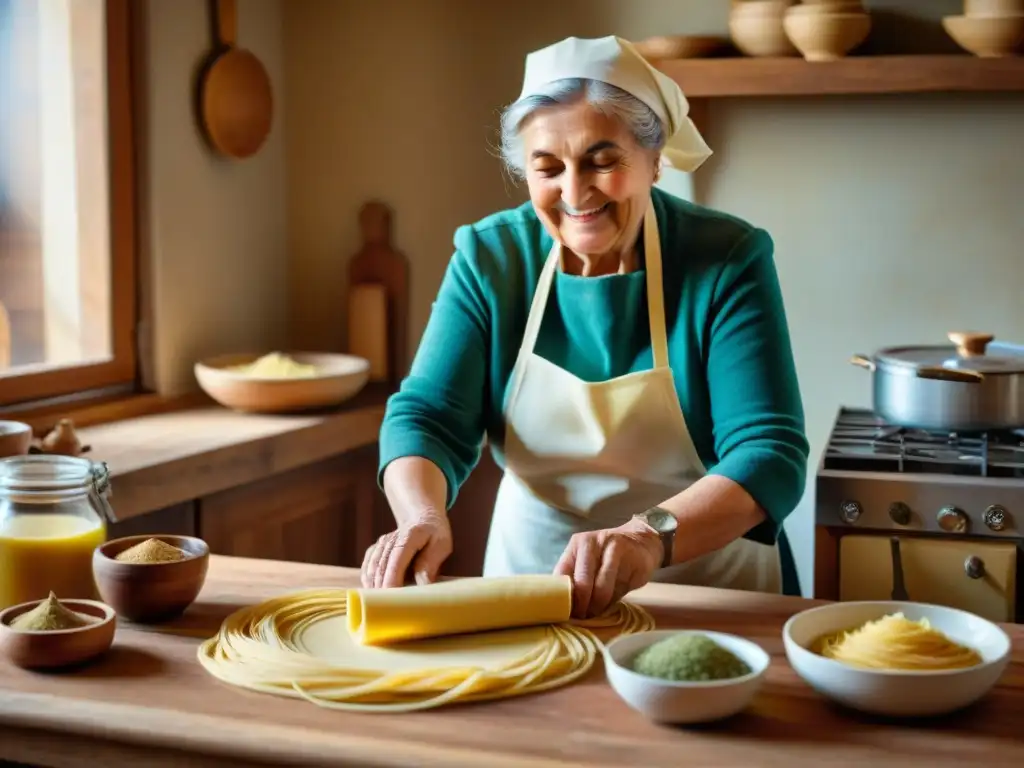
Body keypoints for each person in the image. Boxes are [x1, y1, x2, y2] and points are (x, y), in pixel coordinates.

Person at [361, 35, 809, 617]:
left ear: (655, 160)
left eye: (602, 161)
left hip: (708, 588)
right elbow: (427, 416)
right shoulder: (491, 258)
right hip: (533, 583)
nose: (575, 193)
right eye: (547, 168)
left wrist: (647, 536)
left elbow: (769, 451)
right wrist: (422, 514)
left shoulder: (726, 257)